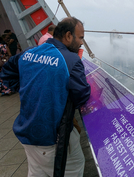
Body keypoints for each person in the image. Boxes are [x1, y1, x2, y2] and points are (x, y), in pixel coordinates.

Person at [0, 17, 91, 177]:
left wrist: (31, 90)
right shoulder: (71, 61)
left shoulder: (28, 53)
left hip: (26, 132)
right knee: (74, 168)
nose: (82, 43)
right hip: (52, 139)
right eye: (81, 37)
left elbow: (6, 72)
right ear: (69, 36)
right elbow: (81, 95)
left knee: (36, 171)